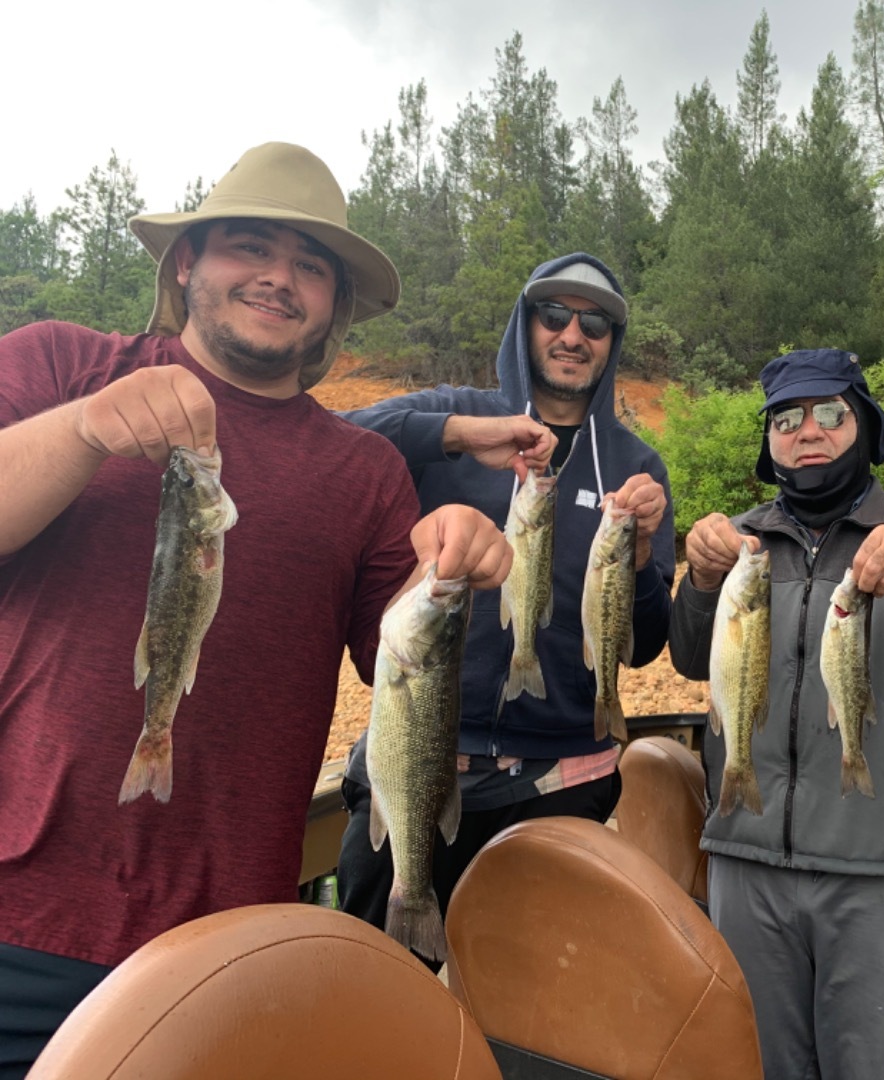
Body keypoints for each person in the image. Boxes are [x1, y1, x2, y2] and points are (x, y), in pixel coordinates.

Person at [0, 142, 529, 1075]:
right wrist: (84, 429)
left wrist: (455, 560)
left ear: (333, 305)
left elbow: (400, 662)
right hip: (16, 911)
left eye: (311, 266)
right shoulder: (62, 365)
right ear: (186, 264)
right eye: (251, 246)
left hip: (229, 943)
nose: (280, 278)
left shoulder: (364, 474)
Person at [335, 253, 675, 958]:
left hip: (560, 784)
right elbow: (339, 441)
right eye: (554, 314)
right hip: (417, 762)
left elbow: (640, 645)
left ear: (613, 344)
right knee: (370, 992)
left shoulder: (637, 468)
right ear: (526, 324)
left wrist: (640, 559)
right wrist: (459, 433)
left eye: (596, 323)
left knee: (527, 1025)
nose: (573, 335)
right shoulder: (451, 415)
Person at [668, 349, 884, 1079]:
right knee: (761, 1065)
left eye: (830, 413)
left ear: (864, 424)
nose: (808, 431)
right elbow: (686, 655)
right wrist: (703, 580)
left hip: (881, 871)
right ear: (768, 442)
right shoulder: (741, 540)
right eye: (786, 418)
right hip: (747, 863)